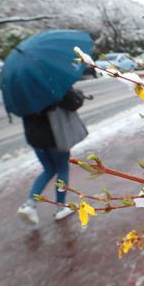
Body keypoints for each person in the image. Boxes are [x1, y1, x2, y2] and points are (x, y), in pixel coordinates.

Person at [17, 87, 86, 225]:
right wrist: (79, 95)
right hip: (54, 135)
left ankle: (30, 205)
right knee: (62, 169)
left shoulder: (20, 87)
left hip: (34, 137)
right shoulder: (50, 80)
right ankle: (60, 207)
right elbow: (72, 103)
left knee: (48, 169)